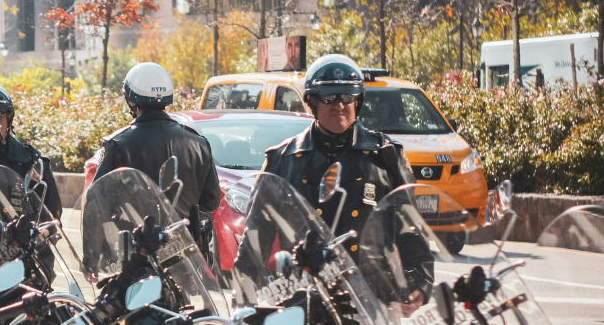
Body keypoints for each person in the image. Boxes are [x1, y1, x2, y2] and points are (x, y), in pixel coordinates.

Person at [261, 53, 428, 306]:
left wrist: (420, 282)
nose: (338, 105)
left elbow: (410, 225)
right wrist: (247, 293)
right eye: (328, 98)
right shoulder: (282, 159)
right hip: (302, 295)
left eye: (347, 97)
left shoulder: (386, 156)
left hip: (372, 295)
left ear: (358, 102)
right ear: (312, 103)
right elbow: (255, 235)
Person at [96, 62, 221, 244]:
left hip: (137, 252)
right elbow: (211, 202)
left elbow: (99, 204)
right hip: (186, 254)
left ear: (130, 98)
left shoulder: (118, 144)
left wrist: (92, 259)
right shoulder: (198, 143)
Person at [0, 82, 63, 220]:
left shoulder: (31, 161)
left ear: (9, 117)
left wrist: (34, 233)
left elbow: (52, 219)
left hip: (20, 240)